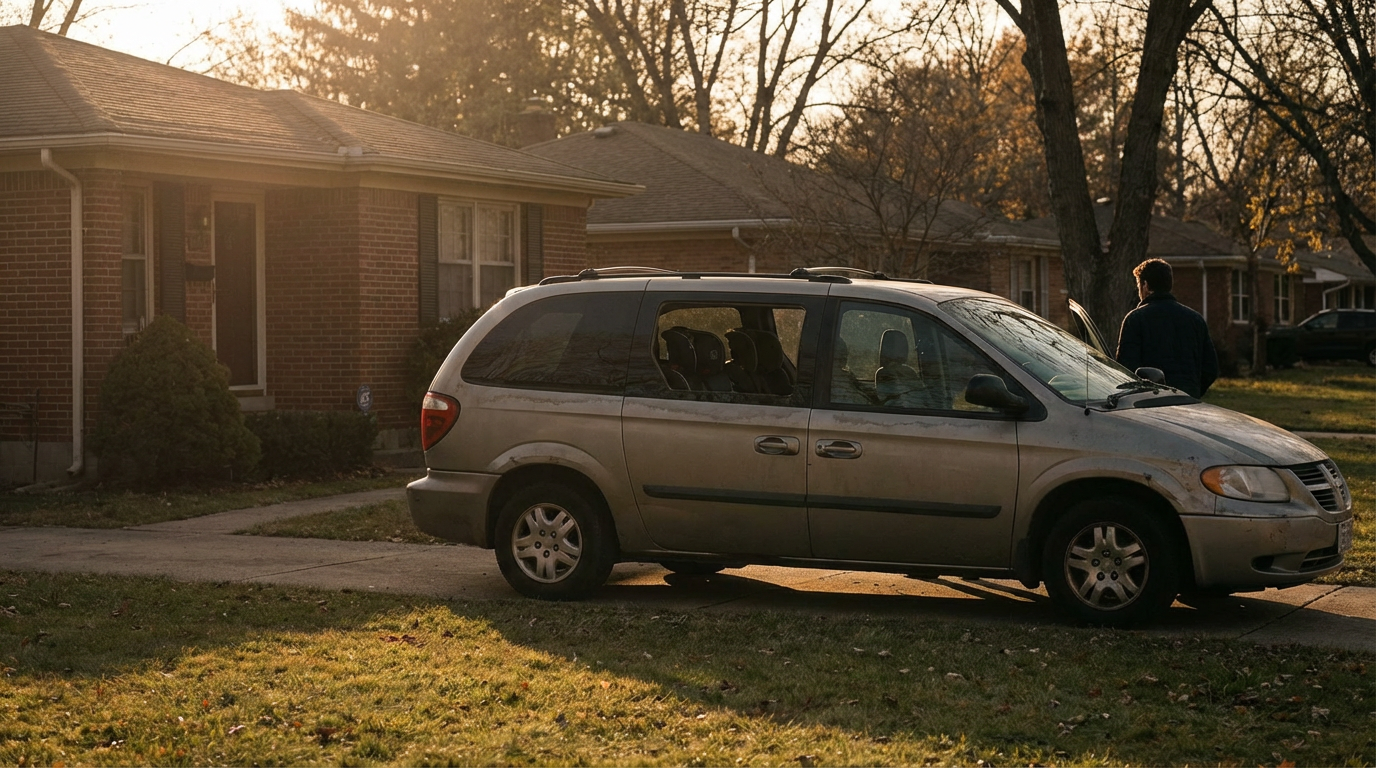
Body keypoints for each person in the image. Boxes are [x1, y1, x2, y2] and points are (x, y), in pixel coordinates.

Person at [1116, 258, 1219, 398]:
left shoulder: (1136, 319)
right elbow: (1211, 368)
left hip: (1150, 401)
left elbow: (1125, 368)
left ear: (1145, 285)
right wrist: (1193, 390)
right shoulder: (1195, 320)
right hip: (1188, 399)